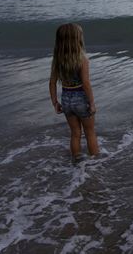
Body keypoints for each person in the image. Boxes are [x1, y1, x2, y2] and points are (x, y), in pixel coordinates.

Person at [49, 23, 99, 161]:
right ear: (78, 39)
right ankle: (96, 163)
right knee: (90, 133)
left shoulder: (57, 59)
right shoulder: (82, 58)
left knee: (75, 133)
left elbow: (52, 82)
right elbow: (86, 83)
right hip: (81, 99)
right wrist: (92, 103)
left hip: (66, 99)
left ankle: (76, 161)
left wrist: (55, 102)